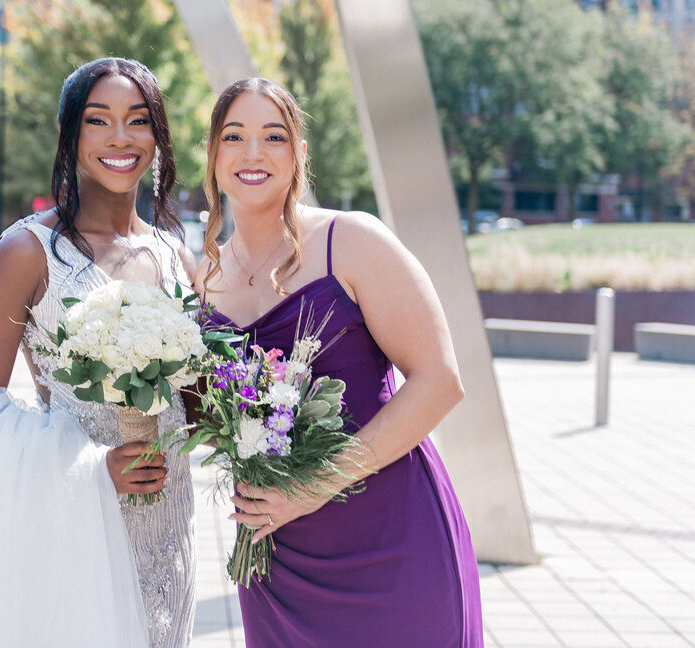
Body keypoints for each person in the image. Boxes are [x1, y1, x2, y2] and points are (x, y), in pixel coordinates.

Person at [195, 78, 483, 647]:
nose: (253, 153)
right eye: (235, 136)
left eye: (272, 136)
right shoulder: (200, 280)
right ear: (213, 154)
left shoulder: (351, 241)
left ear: (299, 154)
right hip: (276, 557)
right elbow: (210, 418)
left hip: (390, 539)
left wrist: (315, 485)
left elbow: (440, 381)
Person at [0, 58, 197, 648]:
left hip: (171, 531)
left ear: (159, 137)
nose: (120, 138)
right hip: (77, 528)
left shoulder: (178, 259)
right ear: (70, 136)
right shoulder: (26, 253)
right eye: (98, 121)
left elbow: (200, 402)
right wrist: (91, 470)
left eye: (138, 120)